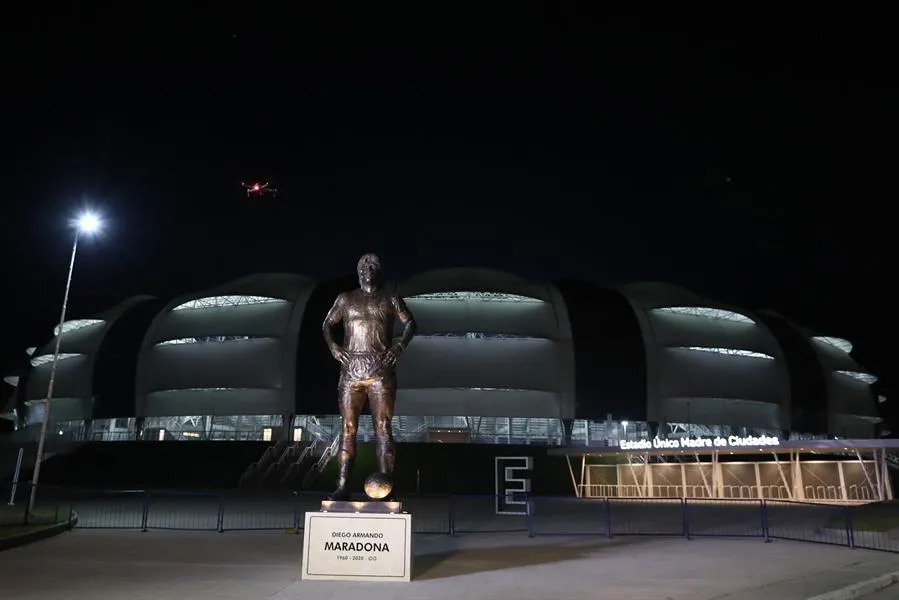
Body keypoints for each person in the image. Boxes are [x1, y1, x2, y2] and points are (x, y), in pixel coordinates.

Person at [322, 253, 417, 500]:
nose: (368, 268)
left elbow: (410, 323)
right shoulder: (346, 299)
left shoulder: (390, 298)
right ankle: (342, 486)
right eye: (364, 265)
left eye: (373, 265)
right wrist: (333, 346)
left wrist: (399, 346)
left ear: (379, 271)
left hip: (380, 370)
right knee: (347, 428)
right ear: (358, 271)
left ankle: (388, 488)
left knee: (383, 428)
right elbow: (326, 324)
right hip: (351, 368)